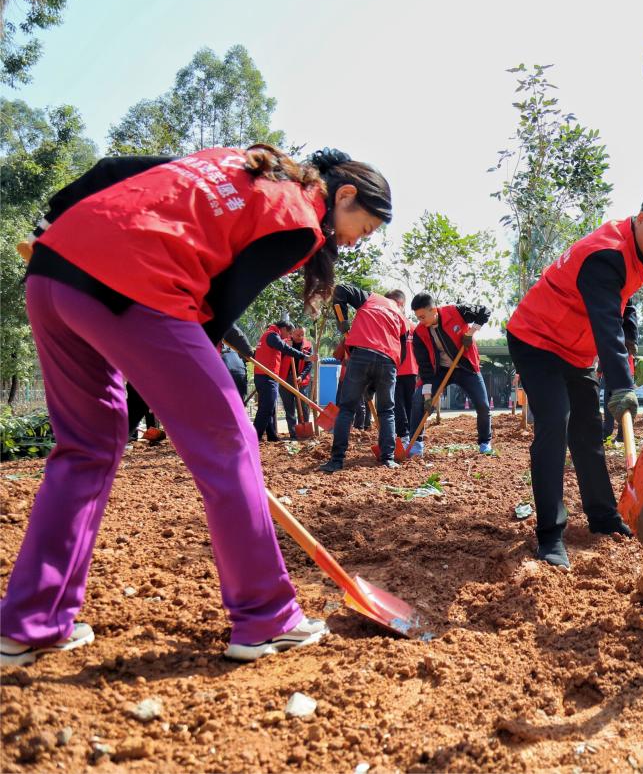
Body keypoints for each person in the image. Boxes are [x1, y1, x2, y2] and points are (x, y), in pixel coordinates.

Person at [0, 145, 392, 666]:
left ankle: (31, 622)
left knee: (86, 448)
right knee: (231, 444)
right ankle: (265, 618)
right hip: (134, 285)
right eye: (363, 226)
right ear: (343, 195)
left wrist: (55, 218)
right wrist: (179, 392)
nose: (356, 238)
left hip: (54, 271)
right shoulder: (298, 218)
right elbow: (218, 306)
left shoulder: (236, 161)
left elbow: (116, 170)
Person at [505, 190, 643, 568]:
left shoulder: (638, 252)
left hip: (574, 349)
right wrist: (622, 386)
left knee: (589, 431)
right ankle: (549, 534)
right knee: (555, 423)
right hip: (536, 339)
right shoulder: (606, 254)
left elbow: (624, 304)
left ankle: (604, 517)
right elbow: (605, 322)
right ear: (641, 218)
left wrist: (631, 340)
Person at [318, 287, 408, 472]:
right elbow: (403, 353)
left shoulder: (371, 298)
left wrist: (342, 320)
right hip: (388, 360)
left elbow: (340, 290)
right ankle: (388, 459)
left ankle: (336, 461)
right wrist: (378, 382)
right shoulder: (401, 316)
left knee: (347, 409)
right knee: (387, 411)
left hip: (361, 355)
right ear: (401, 303)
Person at [408, 292, 490, 457]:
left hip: (466, 366)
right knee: (418, 400)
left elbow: (484, 311)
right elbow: (424, 368)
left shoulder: (456, 311)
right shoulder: (419, 334)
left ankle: (485, 442)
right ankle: (416, 445)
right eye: (418, 317)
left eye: (423, 316)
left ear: (433, 310)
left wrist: (471, 332)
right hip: (439, 371)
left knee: (483, 405)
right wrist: (427, 397)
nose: (420, 321)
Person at [252, 320, 309, 442]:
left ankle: (271, 435)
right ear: (283, 328)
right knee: (266, 408)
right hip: (266, 376)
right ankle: (254, 436)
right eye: (289, 332)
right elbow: (284, 348)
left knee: (270, 407)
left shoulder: (267, 335)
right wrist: (304, 356)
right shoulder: (272, 336)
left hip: (264, 376)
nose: (289, 336)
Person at [392, 306, 420, 449]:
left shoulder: (413, 327)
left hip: (410, 371)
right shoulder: (392, 325)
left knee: (410, 405)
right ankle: (403, 436)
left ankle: (411, 437)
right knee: (398, 406)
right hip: (395, 372)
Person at [280, 325, 314, 439]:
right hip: (285, 379)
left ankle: (304, 433)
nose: (300, 337)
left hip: (301, 381)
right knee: (289, 407)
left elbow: (309, 363)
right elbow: (277, 357)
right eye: (298, 335)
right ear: (292, 334)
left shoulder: (308, 345)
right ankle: (293, 434)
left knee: (304, 406)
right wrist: (286, 349)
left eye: (302, 334)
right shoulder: (284, 343)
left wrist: (301, 376)